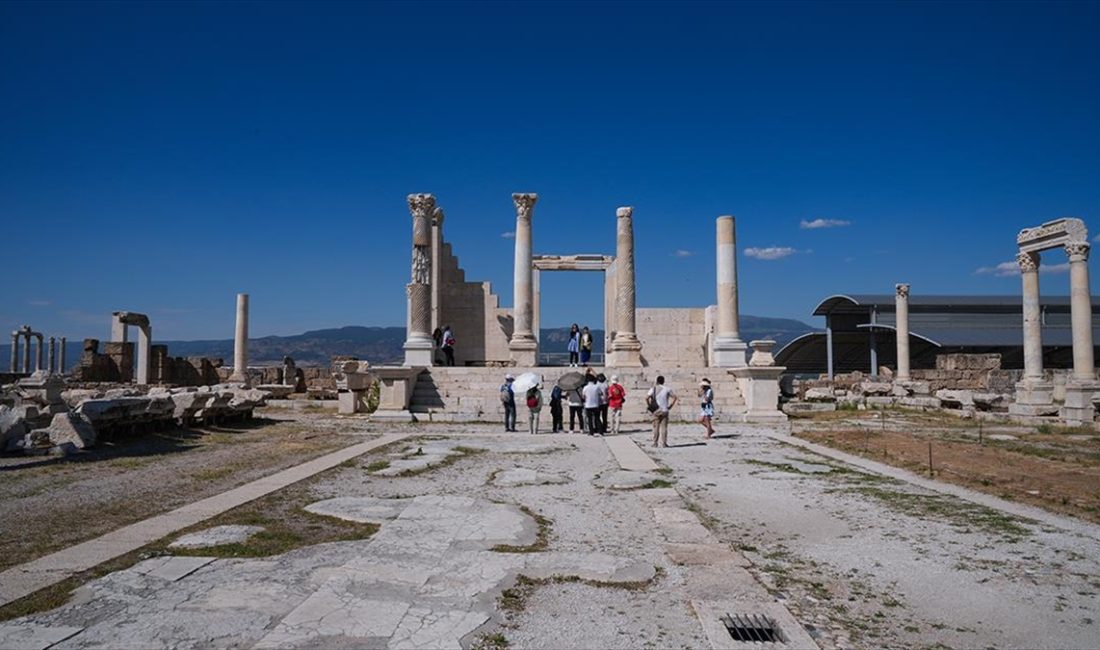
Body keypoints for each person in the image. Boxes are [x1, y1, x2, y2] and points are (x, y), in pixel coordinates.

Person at [646, 375, 677, 447]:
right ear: (663, 381)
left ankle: (655, 443)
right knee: (664, 427)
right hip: (665, 410)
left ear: (657, 381)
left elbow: (646, 398)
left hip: (656, 410)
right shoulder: (667, 389)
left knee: (656, 427)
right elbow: (675, 397)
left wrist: (649, 405)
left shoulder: (652, 389)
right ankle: (664, 443)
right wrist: (671, 406)